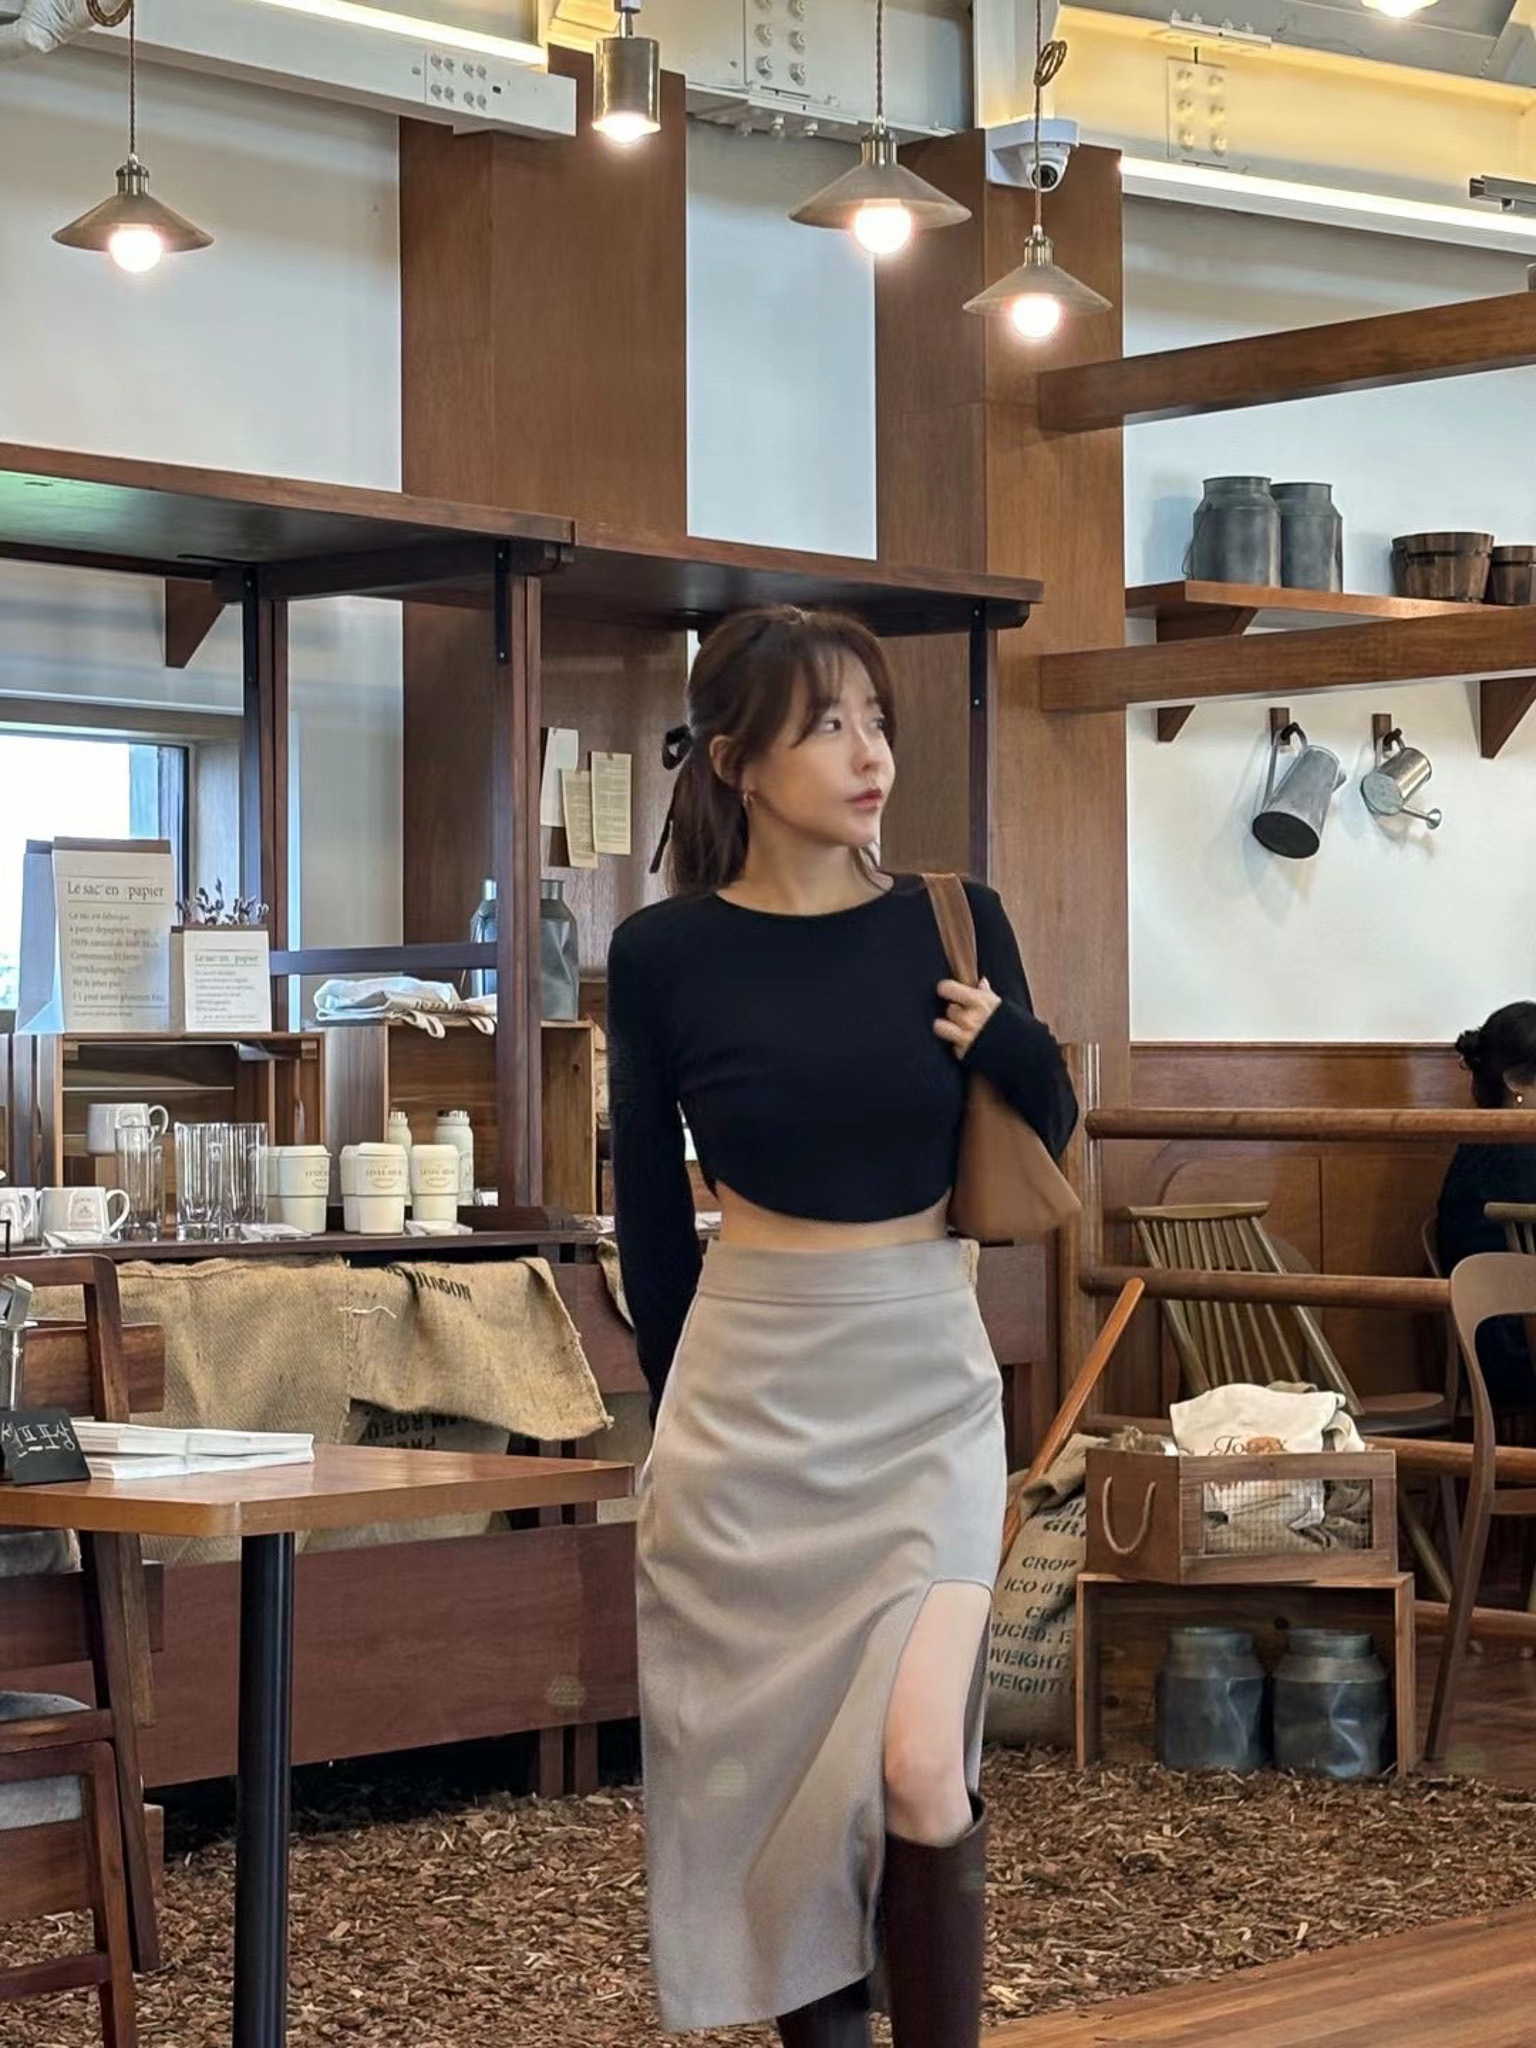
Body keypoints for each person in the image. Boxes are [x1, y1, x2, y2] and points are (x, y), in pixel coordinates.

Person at [607, 605, 1076, 2047]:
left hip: (923, 1374)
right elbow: (650, 1217)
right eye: (827, 725)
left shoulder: (954, 916)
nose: (869, 753)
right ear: (737, 761)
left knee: (922, 1763)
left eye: (876, 720)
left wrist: (1009, 1040)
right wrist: (673, 1421)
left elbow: (1051, 1124)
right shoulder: (664, 954)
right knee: (776, 1794)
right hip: (743, 1395)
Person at [1437, 1001, 1536, 1403]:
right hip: (1515, 1341)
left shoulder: (1486, 1142)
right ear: (1515, 1081)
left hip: (1496, 1332)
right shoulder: (1513, 1150)